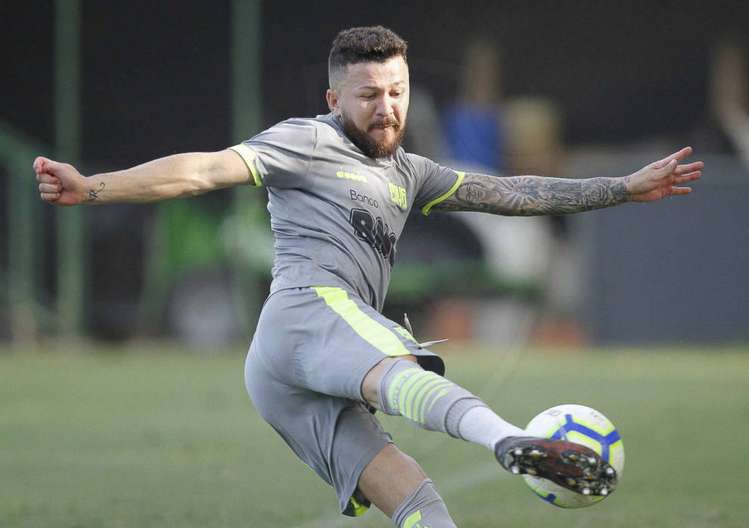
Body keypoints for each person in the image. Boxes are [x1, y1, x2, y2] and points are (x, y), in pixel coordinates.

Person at [34, 26, 703, 528]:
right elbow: (201, 171)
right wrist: (93, 188)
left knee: (419, 503)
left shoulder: (411, 173)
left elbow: (513, 192)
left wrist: (621, 187)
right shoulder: (305, 141)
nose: (387, 108)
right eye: (369, 95)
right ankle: (509, 439)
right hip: (306, 311)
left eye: (397, 92)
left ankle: (499, 446)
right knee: (400, 366)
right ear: (334, 97)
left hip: (293, 369)